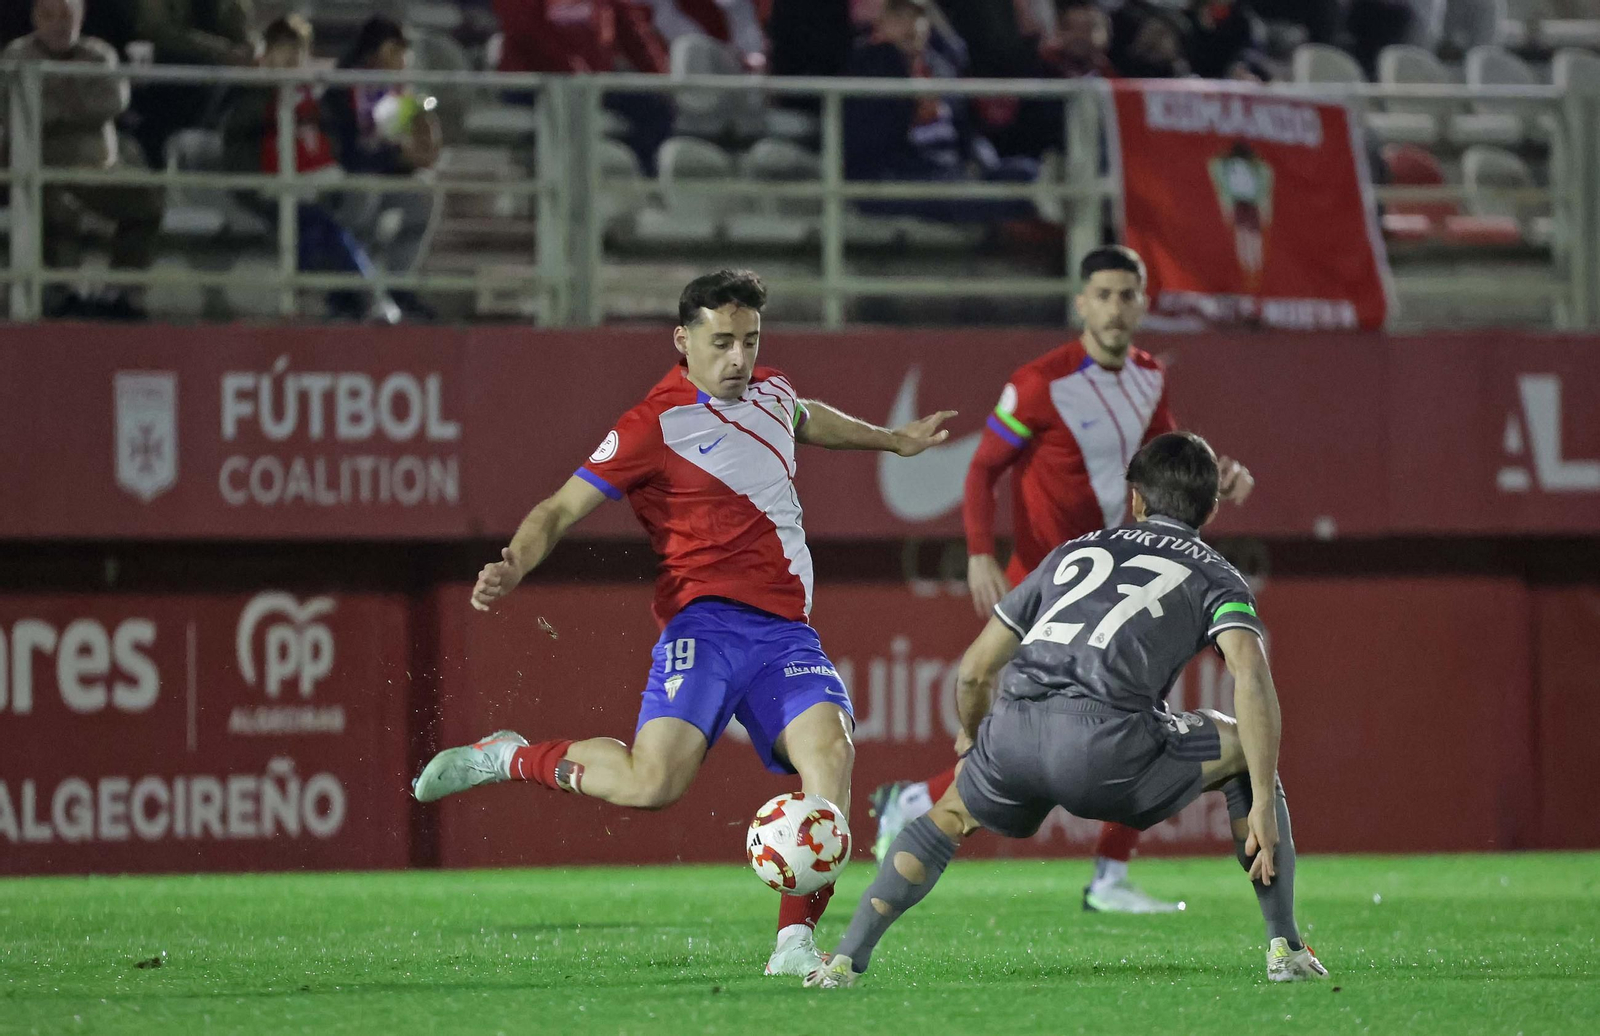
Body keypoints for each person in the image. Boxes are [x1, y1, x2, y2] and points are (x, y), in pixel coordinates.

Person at [411, 270, 958, 978]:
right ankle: (510, 755)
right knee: (652, 785)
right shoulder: (652, 424)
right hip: (703, 627)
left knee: (831, 753)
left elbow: (804, 415)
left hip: (787, 632)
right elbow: (559, 508)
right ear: (683, 339)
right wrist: (516, 562)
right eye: (722, 342)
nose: (740, 359)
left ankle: (794, 943)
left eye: (751, 341)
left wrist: (892, 441)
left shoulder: (772, 390)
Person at [807, 431, 1328, 988]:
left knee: (950, 815)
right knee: (1241, 750)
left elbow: (976, 670)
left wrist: (972, 738)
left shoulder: (1074, 551)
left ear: (1135, 499)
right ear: (1211, 506)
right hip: (1109, 753)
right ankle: (1285, 949)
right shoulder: (1217, 575)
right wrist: (1266, 798)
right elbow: (1250, 676)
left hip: (1015, 735)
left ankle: (844, 960)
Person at [869, 246, 1255, 914]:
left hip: (1127, 583)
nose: (1115, 306)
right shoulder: (1038, 382)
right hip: (1049, 585)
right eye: (1103, 293)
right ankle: (918, 800)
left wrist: (1214, 479)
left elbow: (1161, 468)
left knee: (1142, 717)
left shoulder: (1149, 379)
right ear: (1081, 302)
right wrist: (981, 554)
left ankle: (1108, 877)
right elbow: (983, 468)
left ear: (1142, 303)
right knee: (1025, 734)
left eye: (1127, 294)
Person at [219, 15, 397, 323]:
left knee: (323, 222)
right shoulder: (249, 94)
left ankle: (316, 298)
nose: (290, 58)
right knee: (320, 224)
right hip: (268, 187)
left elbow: (332, 142)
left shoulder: (312, 97)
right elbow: (237, 151)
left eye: (297, 50)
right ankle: (369, 296)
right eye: (283, 48)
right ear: (267, 52)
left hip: (316, 184)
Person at [3, 0, 164, 319]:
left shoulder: (99, 54)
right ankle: (59, 293)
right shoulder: (16, 55)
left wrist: (51, 106)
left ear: (81, 17)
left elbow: (112, 101)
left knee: (148, 198)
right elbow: (14, 112)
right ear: (36, 17)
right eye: (50, 15)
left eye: (67, 15)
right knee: (47, 200)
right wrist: (74, 103)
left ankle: (122, 290)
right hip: (39, 167)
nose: (59, 24)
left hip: (98, 170)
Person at [322, 17, 441, 321]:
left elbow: (414, 136)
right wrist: (399, 157)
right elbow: (351, 150)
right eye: (397, 50)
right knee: (365, 197)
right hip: (343, 179)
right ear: (378, 50)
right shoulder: (343, 86)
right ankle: (349, 292)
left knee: (422, 195)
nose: (403, 59)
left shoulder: (397, 89)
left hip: (382, 173)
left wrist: (421, 132)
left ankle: (399, 285)